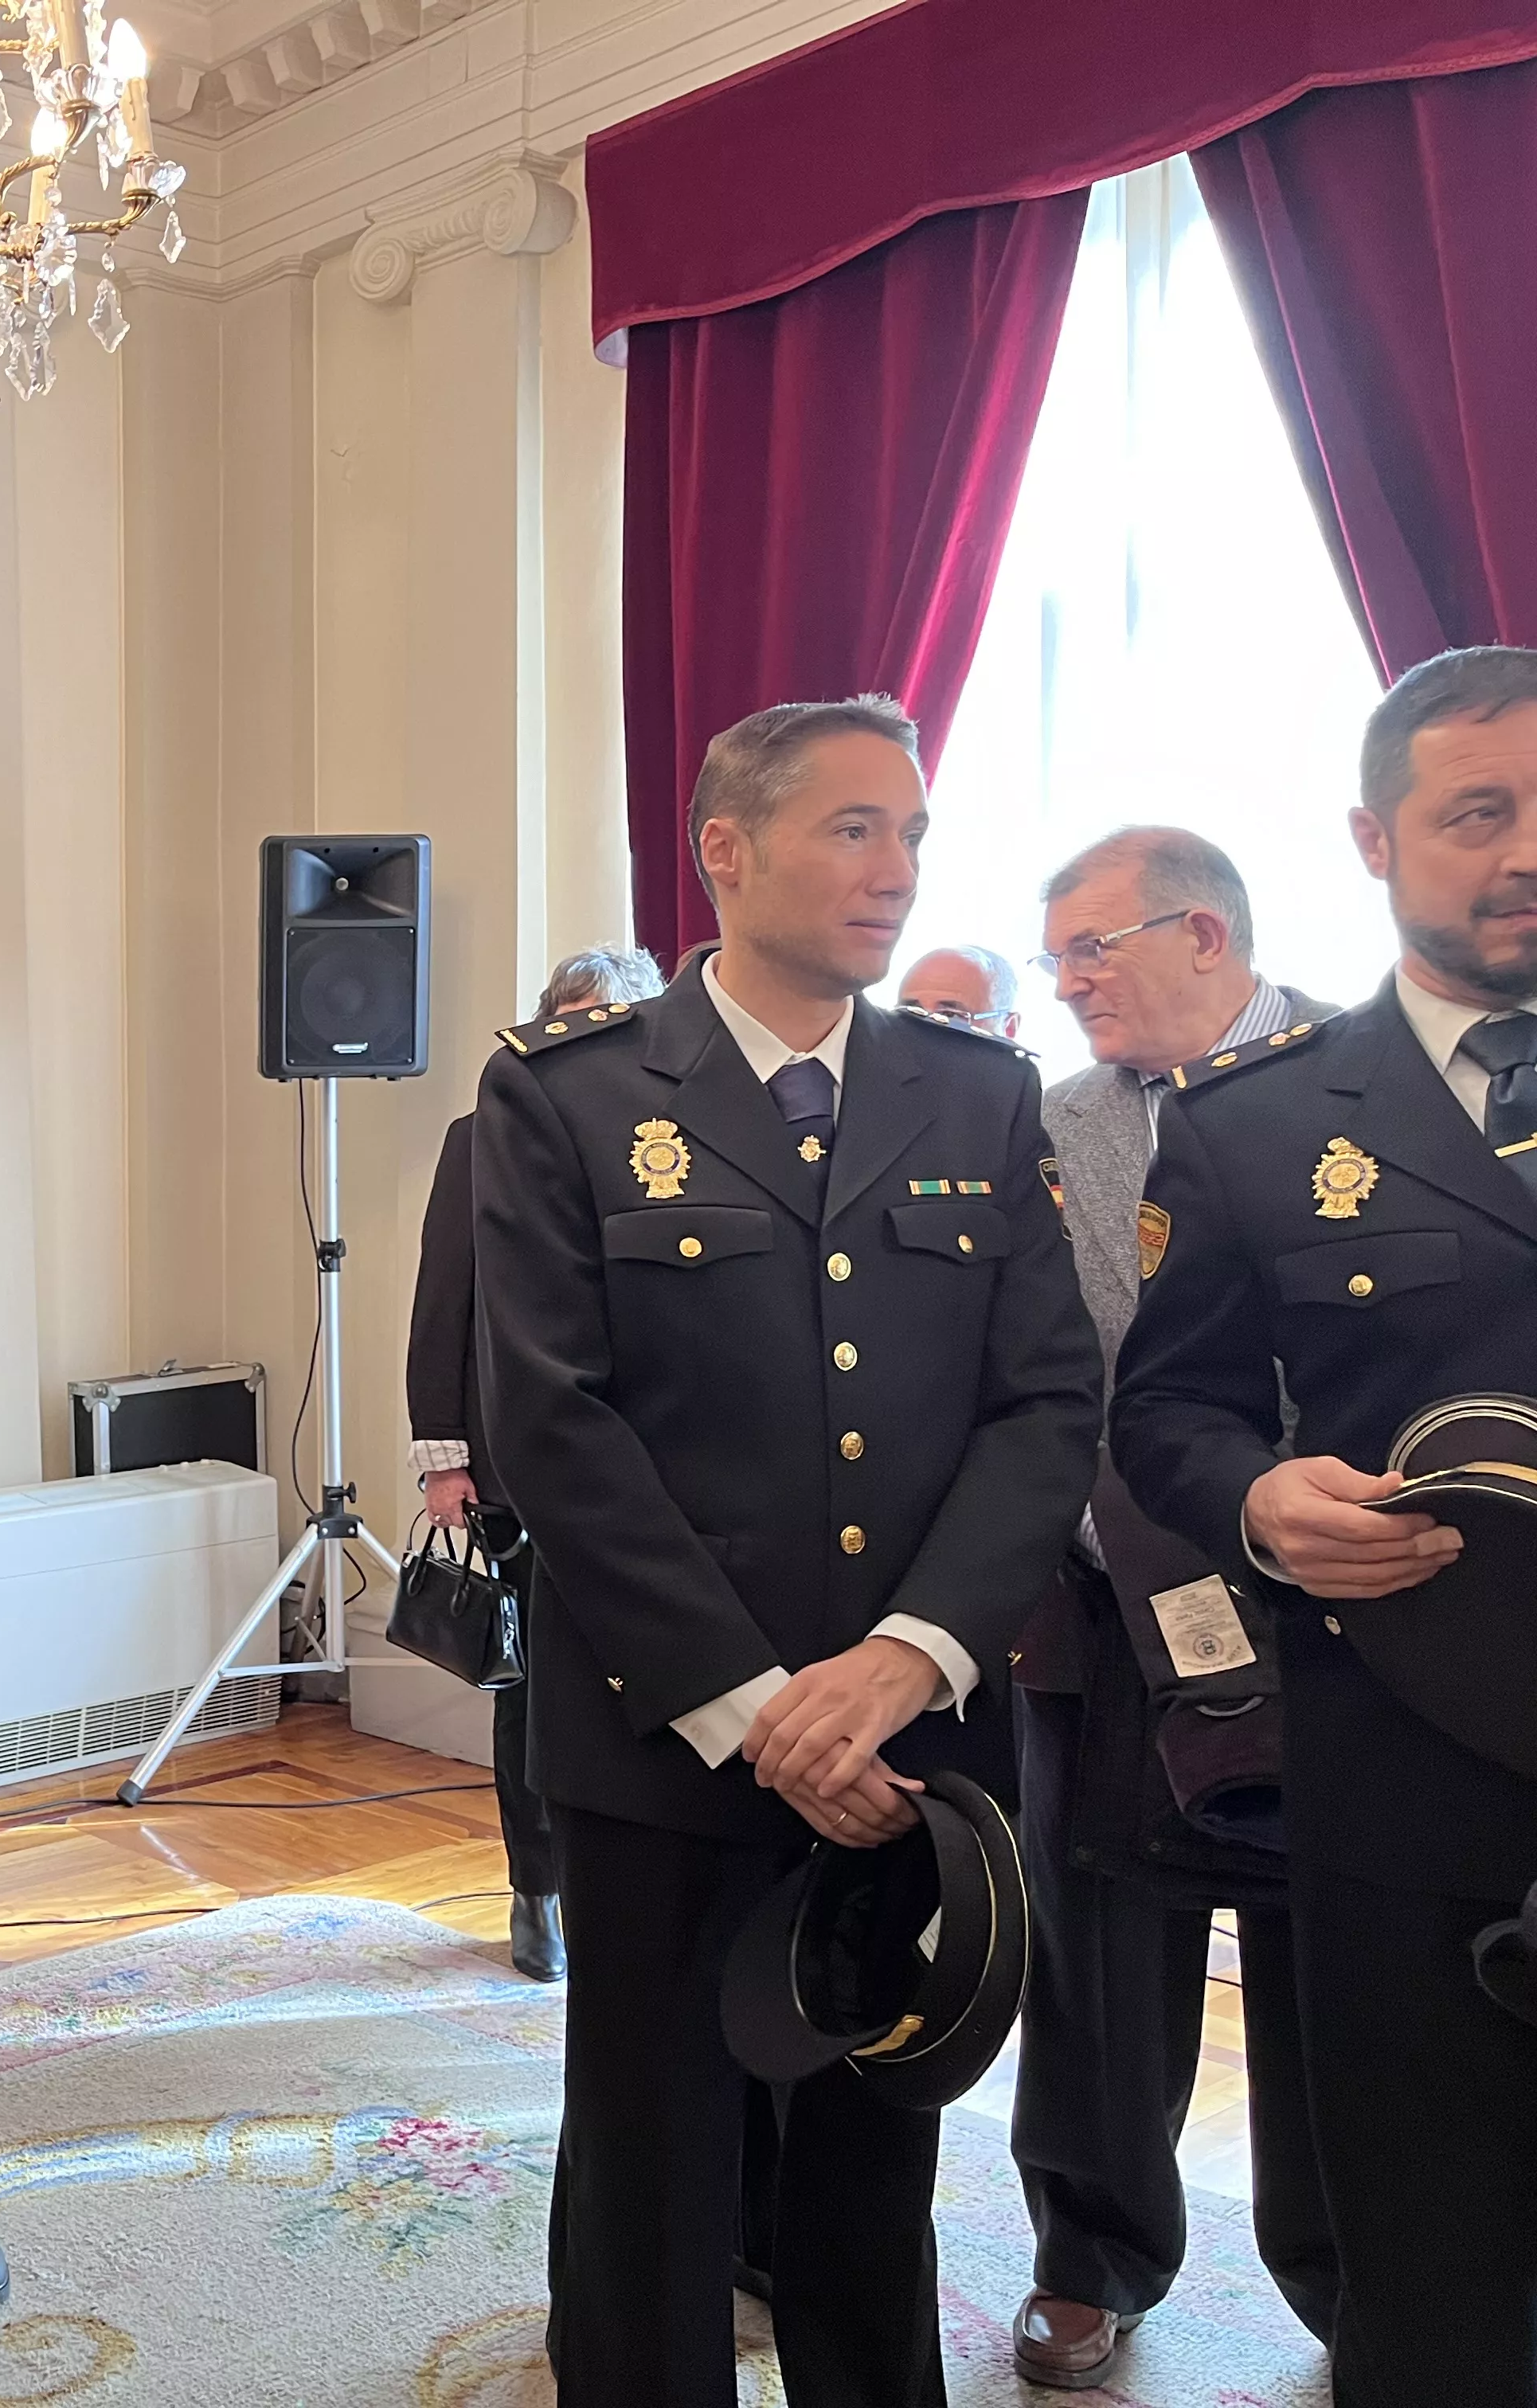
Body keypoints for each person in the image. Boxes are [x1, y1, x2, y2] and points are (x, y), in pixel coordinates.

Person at [471, 696, 1102, 2408]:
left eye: (909, 832)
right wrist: (757, 1707)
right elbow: (552, 1424)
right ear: (724, 849)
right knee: (654, 2171)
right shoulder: (572, 1101)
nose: (894, 869)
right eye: (852, 828)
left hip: (911, 1754)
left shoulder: (977, 1097)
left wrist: (905, 1665)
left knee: (870, 2170)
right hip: (665, 1737)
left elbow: (1049, 1406)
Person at [1112, 645, 1537, 2408]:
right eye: (1479, 814)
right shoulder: (1259, 1124)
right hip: (1408, 1758)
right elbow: (1163, 1412)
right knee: (1428, 2250)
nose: (1525, 853)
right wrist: (1260, 1501)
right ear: (1376, 838)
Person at [1005, 827, 1339, 2387]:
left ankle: (1360, 2276)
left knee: (1331, 1958)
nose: (1065, 982)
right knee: (1099, 1952)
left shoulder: (1362, 1087)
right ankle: (1093, 2253)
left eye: (1093, 947)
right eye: (1056, 951)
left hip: (1338, 1611)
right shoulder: (1052, 1125)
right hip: (1104, 1613)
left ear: (1204, 935)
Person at [407, 941, 666, 1984]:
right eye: (582, 1018)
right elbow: (443, 1305)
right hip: (521, 1464)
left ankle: (637, 1886)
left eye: (621, 1020)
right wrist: (443, 1456)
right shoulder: (482, 1140)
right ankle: (536, 1890)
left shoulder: (679, 1138)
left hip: (657, 1465)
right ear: (548, 1026)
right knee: (536, 1686)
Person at [895, 942, 1021, 1042]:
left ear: (1009, 1028)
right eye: (911, 1013)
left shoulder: (1025, 1073)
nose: (922, 1030)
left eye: (949, 1015)